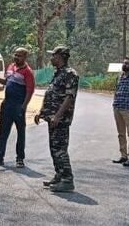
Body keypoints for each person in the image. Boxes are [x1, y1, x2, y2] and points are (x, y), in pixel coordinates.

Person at [34, 46, 79, 192]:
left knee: (60, 150)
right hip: (52, 118)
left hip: (60, 120)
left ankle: (67, 180)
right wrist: (42, 112)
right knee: (54, 149)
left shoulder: (70, 74)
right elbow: (51, 94)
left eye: (53, 55)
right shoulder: (58, 73)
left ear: (60, 56)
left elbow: (69, 97)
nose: (51, 58)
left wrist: (58, 116)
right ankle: (59, 175)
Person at [0, 47, 35, 168]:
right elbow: (6, 82)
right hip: (7, 104)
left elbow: (30, 91)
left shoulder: (27, 72)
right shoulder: (10, 67)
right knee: (3, 132)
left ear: (24, 57)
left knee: (20, 133)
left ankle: (20, 159)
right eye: (15, 54)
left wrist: (23, 107)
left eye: (19, 55)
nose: (16, 57)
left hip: (18, 105)